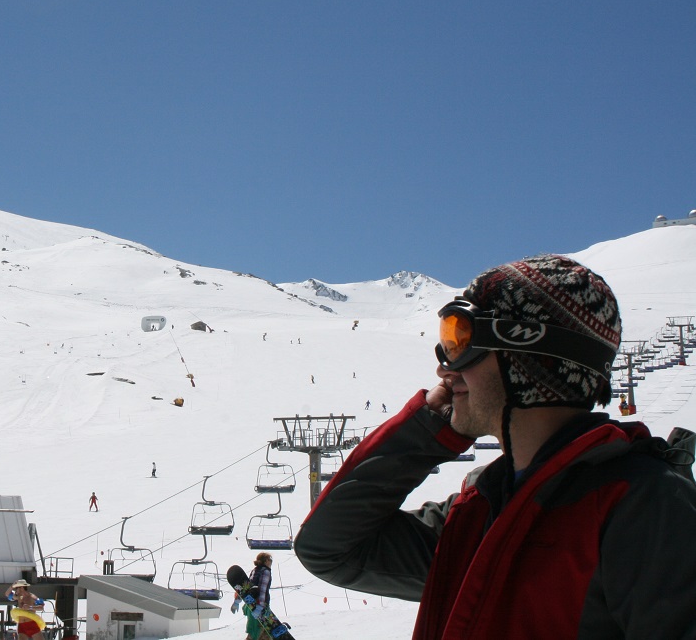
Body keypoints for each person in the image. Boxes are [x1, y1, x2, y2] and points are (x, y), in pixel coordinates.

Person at [295, 254, 696, 638]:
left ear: (527, 356)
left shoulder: (644, 506)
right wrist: (429, 430)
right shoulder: (479, 510)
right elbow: (329, 550)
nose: (444, 366)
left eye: (460, 339)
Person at [232, 552, 274, 640]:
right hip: (260, 608)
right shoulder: (265, 572)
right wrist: (259, 607)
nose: (271, 562)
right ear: (265, 561)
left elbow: (245, 588)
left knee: (256, 634)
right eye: (270, 560)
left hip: (250, 606)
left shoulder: (255, 570)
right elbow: (262, 590)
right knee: (261, 634)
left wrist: (237, 601)